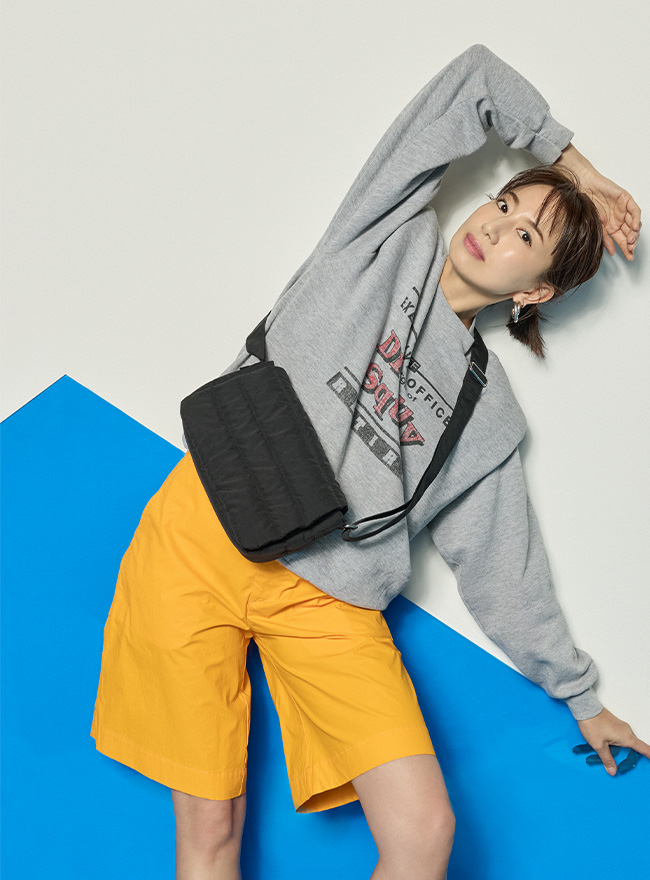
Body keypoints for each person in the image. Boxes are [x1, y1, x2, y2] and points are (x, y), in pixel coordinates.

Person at [90, 44, 648, 880]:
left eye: (525, 234)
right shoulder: (383, 241)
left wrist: (580, 696)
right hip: (202, 536)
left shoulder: (486, 413)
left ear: (534, 292)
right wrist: (581, 171)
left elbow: (504, 566)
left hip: (330, 601)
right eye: (502, 204)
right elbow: (476, 79)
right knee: (210, 829)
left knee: (423, 831)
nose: (494, 226)